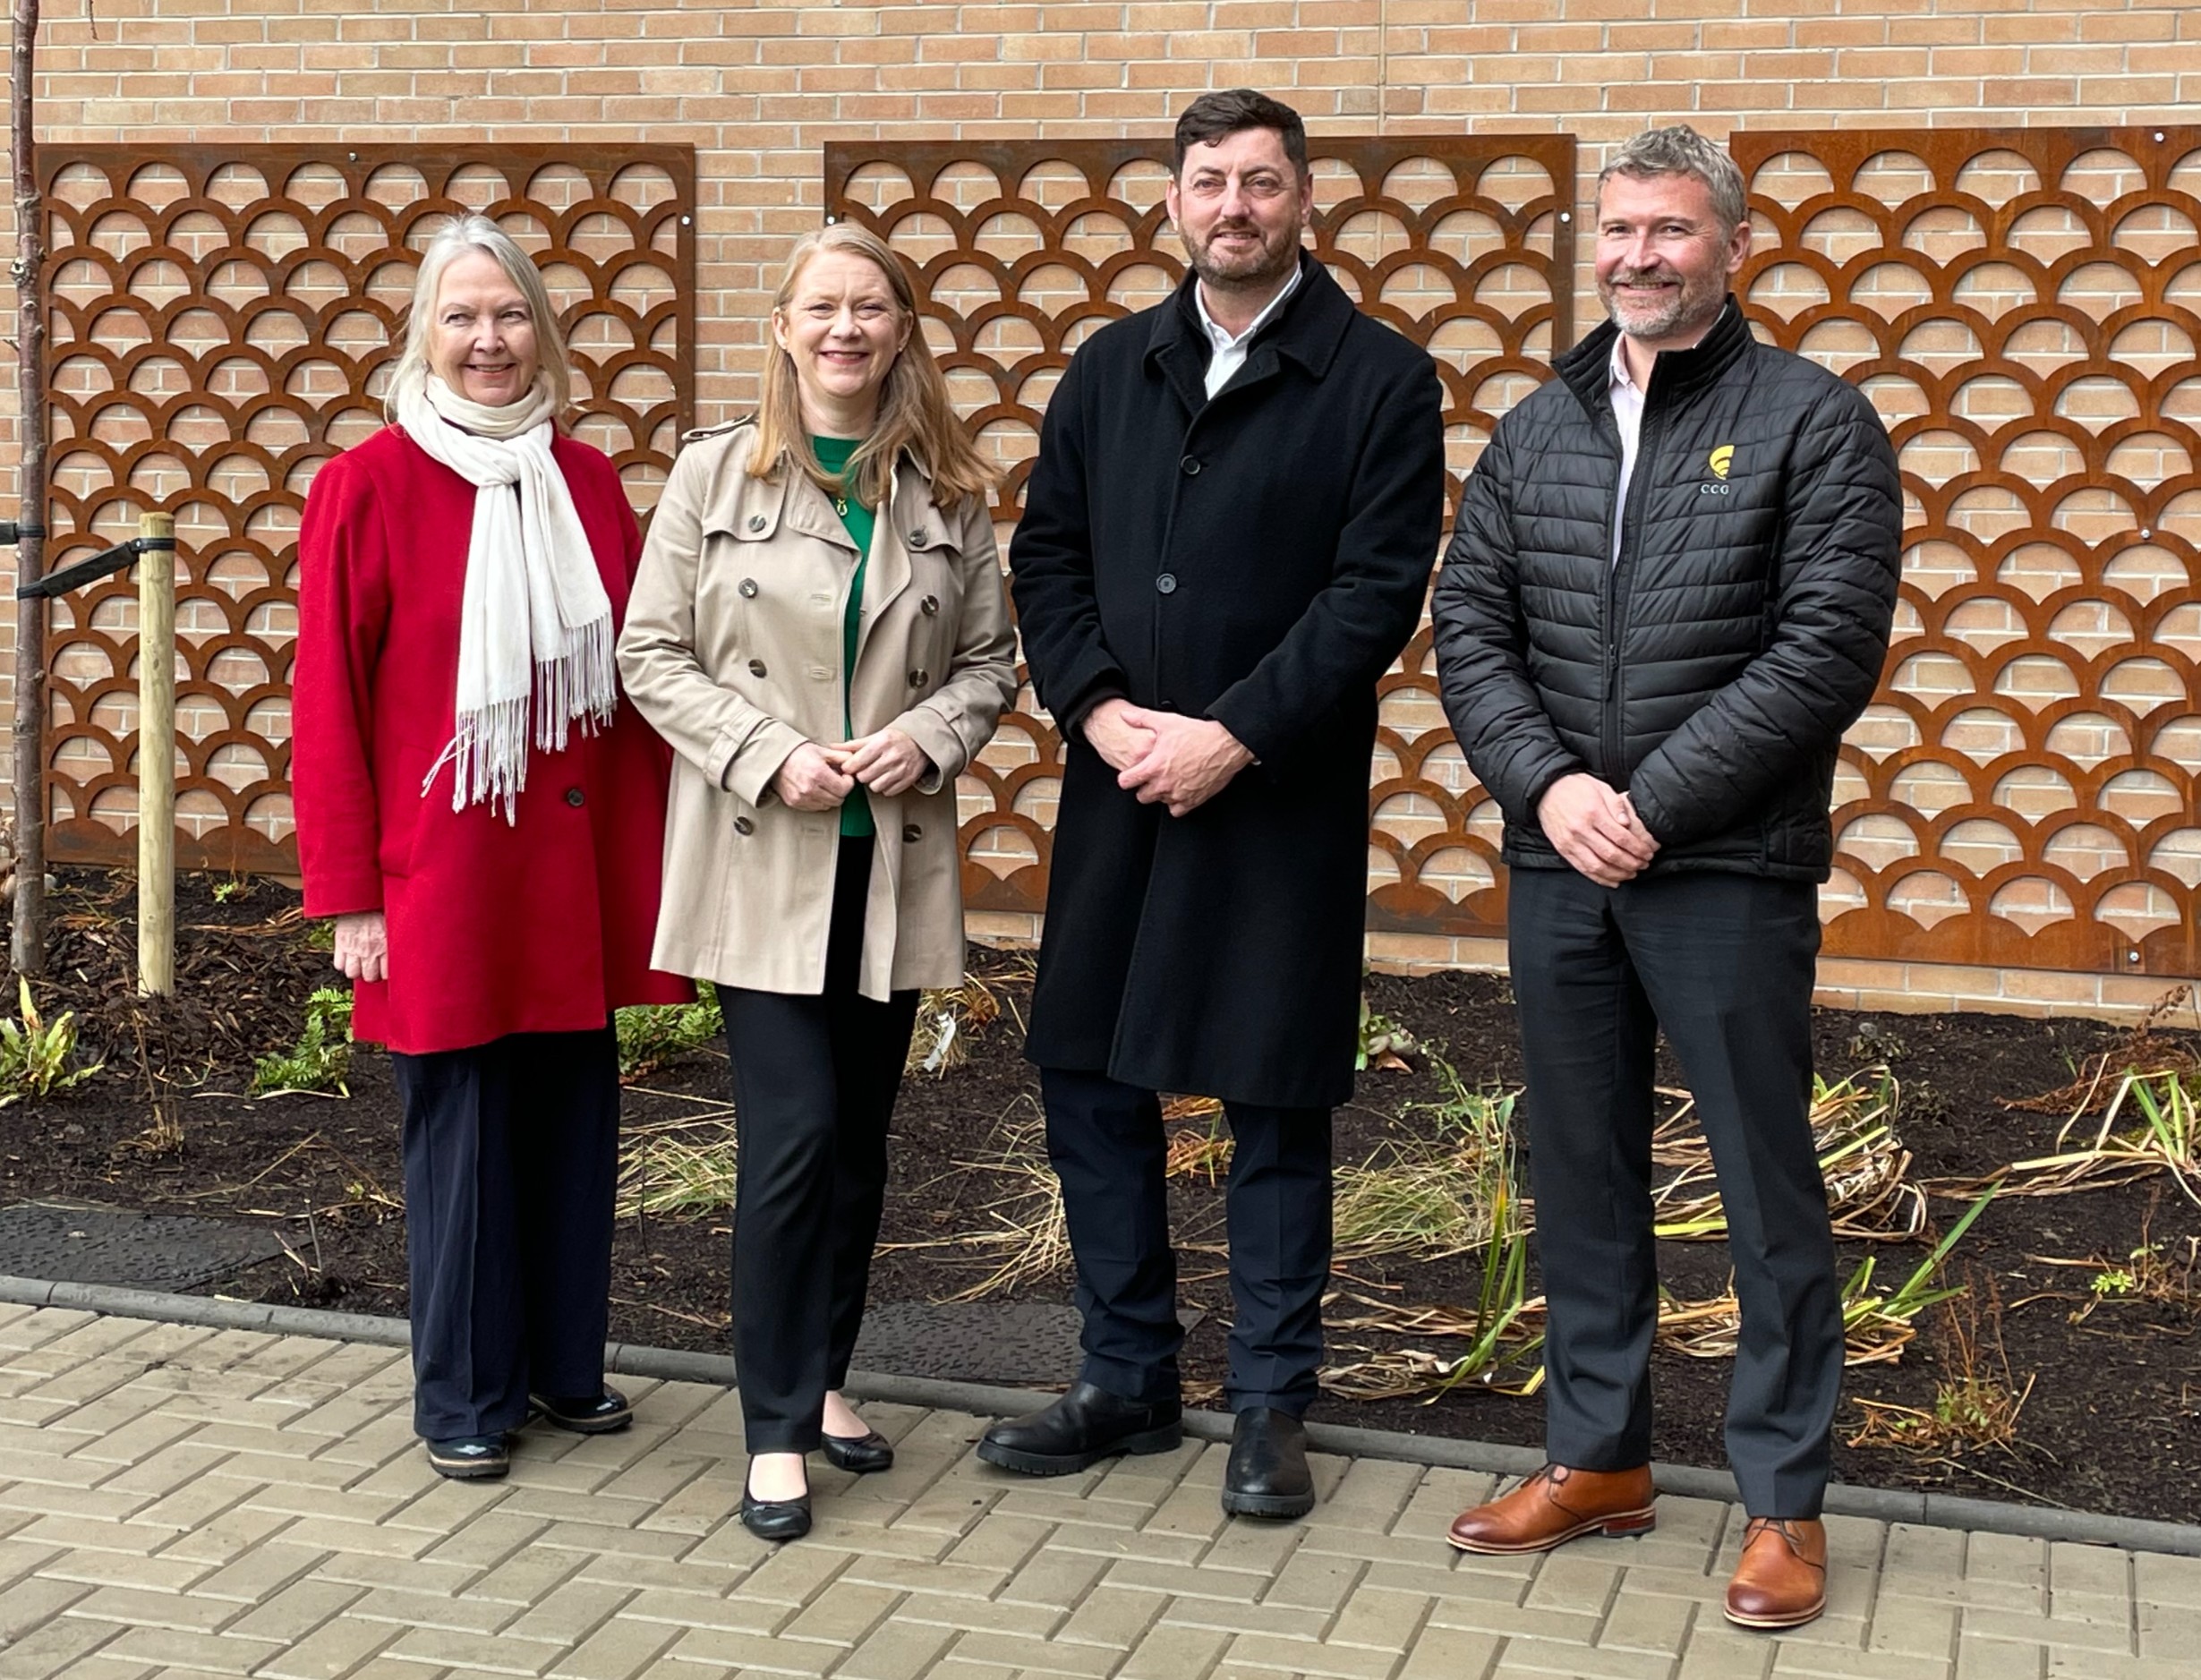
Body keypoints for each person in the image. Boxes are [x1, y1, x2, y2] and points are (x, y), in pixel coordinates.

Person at [1430, 124, 1901, 1629]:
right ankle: (1598, 1456)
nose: (1637, 254)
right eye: (1618, 229)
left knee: (1765, 1187)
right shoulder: (1536, 427)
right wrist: (1555, 789)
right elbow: (1472, 627)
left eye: (1671, 230)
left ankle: (1783, 1501)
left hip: (1726, 871)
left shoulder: (1814, 422)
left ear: (1734, 249)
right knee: (1581, 1166)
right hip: (1560, 860)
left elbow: (1822, 651)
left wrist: (1649, 800)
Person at [982, 89, 1446, 1521]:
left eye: (1259, 181)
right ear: (1171, 203)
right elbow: (1047, 556)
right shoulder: (1111, 367)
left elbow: (1374, 591)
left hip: (1277, 796)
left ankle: (1268, 1404)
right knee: (1091, 1081)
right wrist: (1101, 706)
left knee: (1272, 1097)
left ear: (1306, 198)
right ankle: (1125, 1375)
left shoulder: (1378, 379)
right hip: (1119, 783)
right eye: (1207, 181)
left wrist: (1234, 732)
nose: (1232, 205)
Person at [618, 223, 1018, 1543]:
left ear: (903, 329)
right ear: (782, 326)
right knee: (790, 1145)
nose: (846, 329)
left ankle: (830, 1377)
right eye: (821, 308)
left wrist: (928, 736)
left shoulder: (949, 489)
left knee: (857, 1150)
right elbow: (651, 652)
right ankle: (774, 1427)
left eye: (872, 308)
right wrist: (765, 751)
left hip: (889, 864)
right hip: (762, 859)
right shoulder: (710, 474)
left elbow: (989, 664)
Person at [294, 217, 689, 1481]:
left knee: (574, 1124)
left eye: (509, 314)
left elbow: (637, 675)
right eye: (462, 317)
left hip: (567, 873)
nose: (488, 340)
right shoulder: (365, 487)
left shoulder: (585, 480)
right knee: (458, 1140)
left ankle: (566, 1368)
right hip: (442, 877)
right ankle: (464, 1390)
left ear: (543, 332)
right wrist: (350, 894)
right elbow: (327, 707)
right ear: (426, 335)